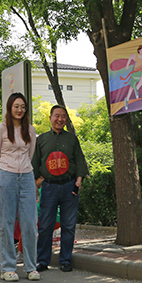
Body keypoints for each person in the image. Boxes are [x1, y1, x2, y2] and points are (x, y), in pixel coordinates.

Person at [33, 105, 88, 272]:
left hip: (69, 186)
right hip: (49, 187)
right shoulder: (41, 139)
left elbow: (79, 161)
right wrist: (35, 184)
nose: (60, 119)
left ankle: (65, 260)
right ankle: (42, 260)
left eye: (63, 116)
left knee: (69, 225)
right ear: (50, 118)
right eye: (57, 116)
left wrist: (78, 180)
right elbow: (35, 163)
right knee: (45, 225)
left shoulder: (72, 139)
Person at [0, 93, 38, 282]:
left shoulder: (31, 130)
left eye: (23, 107)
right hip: (5, 175)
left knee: (29, 223)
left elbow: (31, 154)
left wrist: (24, 172)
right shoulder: (1, 129)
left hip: (27, 176)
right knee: (6, 223)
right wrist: (4, 171)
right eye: (16, 106)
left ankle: (30, 267)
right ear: (10, 108)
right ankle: (8, 267)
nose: (19, 110)